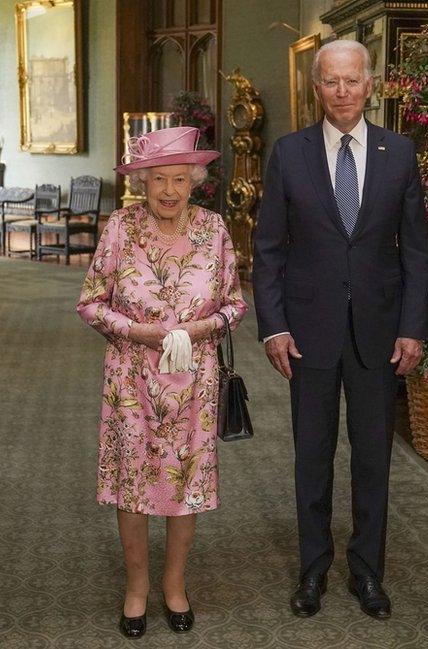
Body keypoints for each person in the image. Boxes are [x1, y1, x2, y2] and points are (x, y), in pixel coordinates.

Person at [252, 40, 428, 620]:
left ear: (370, 84)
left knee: (374, 460)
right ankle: (312, 573)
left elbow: (417, 254)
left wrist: (413, 327)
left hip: (380, 334)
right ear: (316, 86)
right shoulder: (288, 152)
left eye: (353, 81)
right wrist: (273, 327)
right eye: (332, 82)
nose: (344, 92)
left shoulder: (399, 153)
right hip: (309, 332)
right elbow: (269, 248)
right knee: (313, 458)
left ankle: (367, 574)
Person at [77, 126, 248, 638]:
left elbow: (235, 305)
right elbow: (90, 302)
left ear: (195, 180)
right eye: (158, 180)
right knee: (134, 485)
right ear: (143, 183)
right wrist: (140, 331)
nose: (169, 190)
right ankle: (136, 588)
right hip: (131, 378)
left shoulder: (214, 229)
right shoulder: (119, 228)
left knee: (185, 483)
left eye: (179, 178)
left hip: (194, 380)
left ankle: (174, 584)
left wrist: (197, 329)